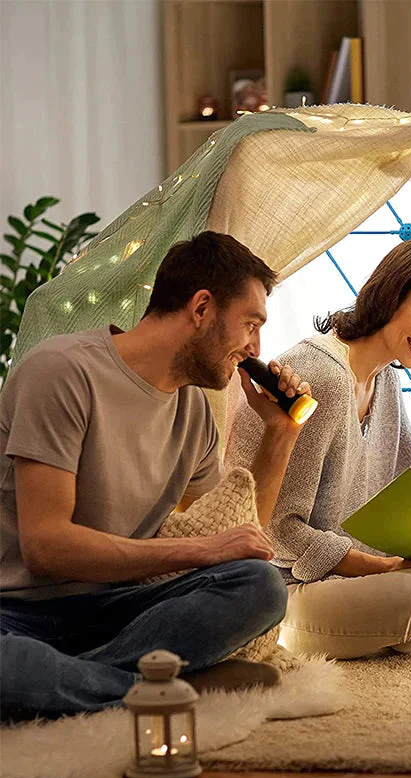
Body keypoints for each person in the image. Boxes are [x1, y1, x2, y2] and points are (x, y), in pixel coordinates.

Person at [0, 231, 311, 719]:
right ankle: (157, 687)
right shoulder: (61, 372)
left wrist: (281, 432)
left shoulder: (193, 411)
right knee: (12, 668)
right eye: (250, 323)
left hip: (119, 611)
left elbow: (240, 539)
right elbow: (46, 548)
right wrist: (202, 550)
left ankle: (89, 682)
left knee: (259, 585)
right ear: (202, 308)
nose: (255, 346)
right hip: (15, 612)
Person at [225, 236, 411, 659]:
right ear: (390, 295)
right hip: (280, 584)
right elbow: (278, 529)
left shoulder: (385, 378)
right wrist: (388, 568)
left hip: (349, 580)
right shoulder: (322, 377)